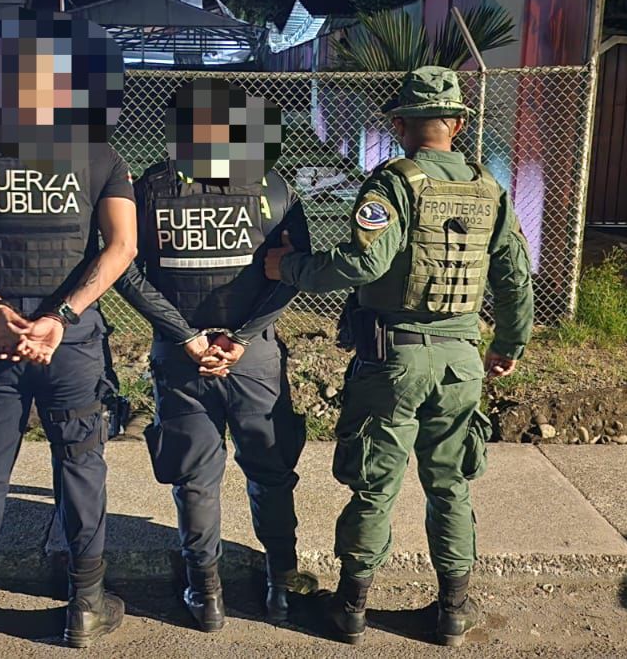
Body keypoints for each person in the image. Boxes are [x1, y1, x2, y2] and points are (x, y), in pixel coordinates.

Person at [265, 66, 534, 647]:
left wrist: (287, 268)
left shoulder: (393, 183)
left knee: (374, 486)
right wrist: (509, 344)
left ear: (399, 125)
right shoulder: (490, 188)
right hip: (461, 363)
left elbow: (363, 263)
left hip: (395, 362)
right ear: (457, 124)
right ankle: (453, 613)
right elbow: (515, 277)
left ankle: (351, 609)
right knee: (451, 485)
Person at [0, 136, 137, 649]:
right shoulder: (98, 154)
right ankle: (86, 607)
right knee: (81, 466)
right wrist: (62, 316)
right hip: (71, 343)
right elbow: (122, 246)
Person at [114, 78, 315, 632]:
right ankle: (281, 587)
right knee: (271, 471)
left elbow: (124, 270)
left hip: (182, 358)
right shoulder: (274, 187)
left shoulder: (150, 188)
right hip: (253, 359)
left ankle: (207, 597)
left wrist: (184, 335)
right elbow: (294, 273)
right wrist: (243, 338)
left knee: (195, 478)